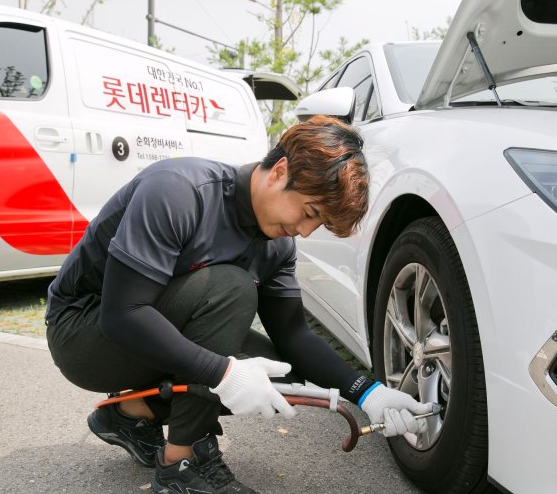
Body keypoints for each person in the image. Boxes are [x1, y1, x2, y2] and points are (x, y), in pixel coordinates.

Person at [45, 114, 432, 494]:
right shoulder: (179, 192)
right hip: (82, 334)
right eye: (310, 212)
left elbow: (294, 336)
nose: (303, 230)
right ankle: (182, 464)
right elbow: (122, 315)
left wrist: (368, 393)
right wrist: (222, 372)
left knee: (285, 376)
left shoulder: (277, 245)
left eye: (316, 225)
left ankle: (131, 414)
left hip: (140, 333)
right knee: (232, 289)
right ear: (280, 170)